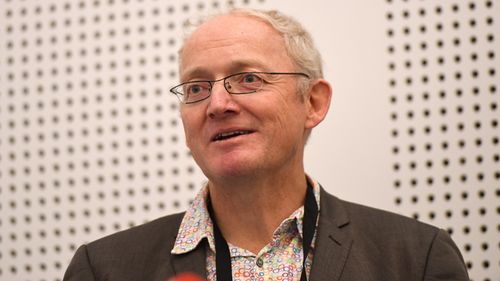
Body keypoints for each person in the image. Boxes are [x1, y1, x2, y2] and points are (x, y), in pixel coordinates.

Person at [63, 9, 469, 281]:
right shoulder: (104, 270)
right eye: (197, 88)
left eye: (249, 80)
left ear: (312, 102)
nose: (218, 104)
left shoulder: (416, 258)